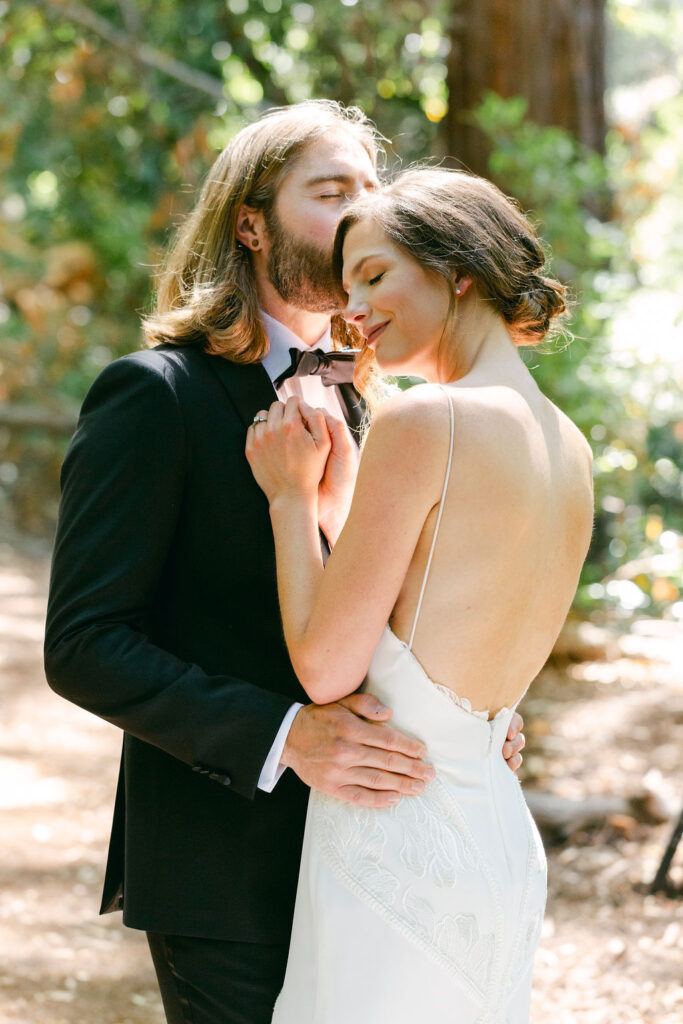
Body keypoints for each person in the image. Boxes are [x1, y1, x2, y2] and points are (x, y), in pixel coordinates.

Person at [43, 104, 526, 1024]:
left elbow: (404, 611)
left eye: (372, 192)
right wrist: (284, 736)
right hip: (227, 870)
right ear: (250, 222)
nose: (359, 213)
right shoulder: (154, 397)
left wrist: (478, 706)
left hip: (385, 855)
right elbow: (85, 643)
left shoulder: (386, 408)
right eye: (330, 191)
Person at [245, 167, 595, 1024]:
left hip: (394, 840)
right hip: (495, 840)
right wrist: (343, 498)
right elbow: (442, 609)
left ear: (458, 269)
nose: (351, 309)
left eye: (373, 275)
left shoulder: (421, 419)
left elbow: (329, 671)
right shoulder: (569, 445)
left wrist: (290, 502)